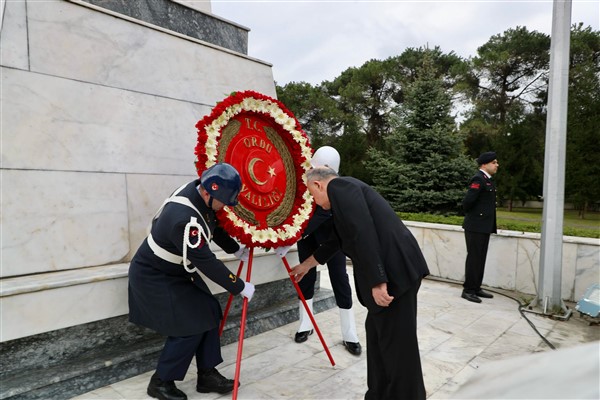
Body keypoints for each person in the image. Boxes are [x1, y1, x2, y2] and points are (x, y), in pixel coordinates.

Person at [291, 167, 429, 400]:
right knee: (377, 336)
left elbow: (362, 232)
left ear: (318, 185)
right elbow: (337, 240)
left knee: (398, 344)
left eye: (312, 196)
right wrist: (306, 265)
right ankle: (378, 393)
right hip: (394, 271)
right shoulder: (343, 194)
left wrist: (378, 281)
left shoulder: (341, 188)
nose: (314, 202)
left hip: (395, 274)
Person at [128, 162, 255, 400]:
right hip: (153, 274)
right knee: (188, 327)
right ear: (208, 192)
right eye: (223, 201)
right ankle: (161, 382)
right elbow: (206, 261)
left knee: (208, 309)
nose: (224, 207)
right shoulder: (183, 219)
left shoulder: (198, 192)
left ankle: (207, 375)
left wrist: (234, 249)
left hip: (176, 268)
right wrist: (239, 287)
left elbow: (211, 220)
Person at [293, 146, 361, 356]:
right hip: (307, 239)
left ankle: (350, 333)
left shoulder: (335, 186)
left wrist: (296, 233)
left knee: (340, 280)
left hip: (333, 240)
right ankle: (305, 323)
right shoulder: (306, 180)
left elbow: (323, 214)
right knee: (304, 279)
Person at [461, 151, 499, 303]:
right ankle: (468, 290)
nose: (497, 165)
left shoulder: (487, 180)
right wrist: (476, 218)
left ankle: (476, 287)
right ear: (485, 164)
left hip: (483, 227)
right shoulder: (478, 178)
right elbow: (467, 202)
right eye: (494, 162)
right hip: (475, 226)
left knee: (480, 258)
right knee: (474, 259)